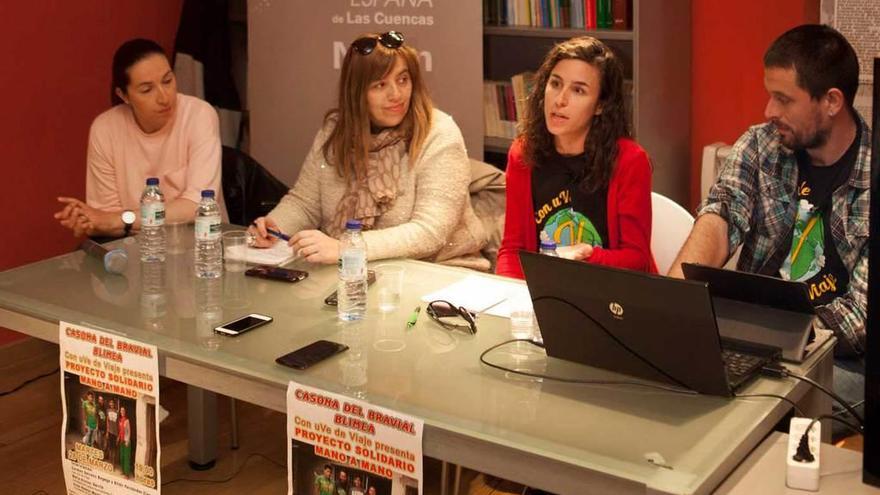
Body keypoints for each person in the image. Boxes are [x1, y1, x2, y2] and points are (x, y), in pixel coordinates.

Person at [668, 24, 869, 435]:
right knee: (673, 386)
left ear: (832, 101)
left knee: (757, 418)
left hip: (844, 358)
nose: (768, 111)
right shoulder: (762, 145)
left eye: (783, 98)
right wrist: (671, 305)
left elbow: (858, 318)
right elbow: (721, 213)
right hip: (756, 336)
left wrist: (781, 337)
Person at [249, 31, 488, 271]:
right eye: (380, 85)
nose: (396, 94)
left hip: (439, 272)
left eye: (403, 80)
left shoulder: (439, 132)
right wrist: (274, 227)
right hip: (358, 271)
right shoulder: (335, 131)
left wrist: (347, 247)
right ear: (356, 92)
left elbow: (429, 232)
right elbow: (305, 203)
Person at [495, 36, 656, 279]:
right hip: (543, 291)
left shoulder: (629, 160)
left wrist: (586, 255)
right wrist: (509, 298)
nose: (560, 100)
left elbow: (637, 259)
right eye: (555, 84)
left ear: (600, 105)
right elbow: (512, 249)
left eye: (578, 90)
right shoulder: (523, 154)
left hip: (611, 293)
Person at [54, 38, 222, 238]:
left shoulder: (199, 115)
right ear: (123, 95)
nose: (164, 97)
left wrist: (120, 220)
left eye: (168, 81)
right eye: (146, 90)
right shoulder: (105, 129)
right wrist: (90, 220)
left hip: (201, 245)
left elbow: (198, 206)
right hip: (135, 249)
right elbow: (106, 219)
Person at [118, 406, 132, 477]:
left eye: (123, 410)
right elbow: (120, 431)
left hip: (126, 441)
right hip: (121, 441)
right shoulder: (120, 420)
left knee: (126, 458)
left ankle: (127, 474)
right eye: (121, 411)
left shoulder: (127, 420)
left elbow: (129, 431)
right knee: (122, 457)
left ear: (125, 412)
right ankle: (123, 471)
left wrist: (127, 441)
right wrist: (118, 437)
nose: (122, 412)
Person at [106, 398, 119, 465]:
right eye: (110, 402)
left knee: (114, 448)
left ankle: (113, 463)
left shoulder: (117, 412)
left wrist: (118, 435)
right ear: (109, 404)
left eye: (112, 403)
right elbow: (107, 421)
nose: (111, 404)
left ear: (114, 404)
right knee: (110, 447)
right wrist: (107, 431)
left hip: (115, 433)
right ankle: (110, 461)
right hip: (110, 432)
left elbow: (118, 424)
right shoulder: (108, 411)